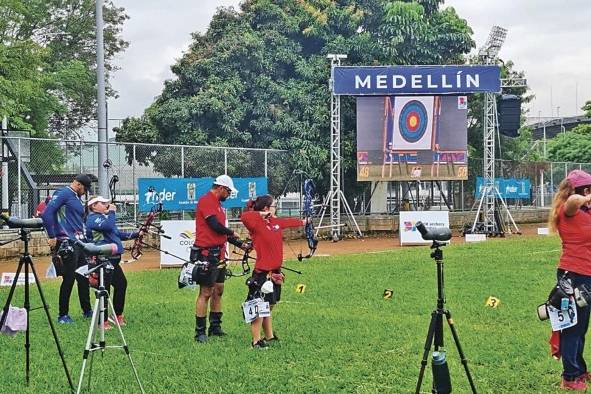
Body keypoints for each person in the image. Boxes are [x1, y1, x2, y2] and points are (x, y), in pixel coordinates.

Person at [240, 194, 305, 349]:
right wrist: (262, 214)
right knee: (260, 305)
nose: (276, 207)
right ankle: (256, 341)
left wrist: (306, 221)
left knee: (270, 304)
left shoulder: (275, 222)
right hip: (262, 273)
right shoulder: (256, 224)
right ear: (266, 208)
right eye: (274, 205)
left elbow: (289, 222)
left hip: (275, 272)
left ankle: (269, 336)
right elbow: (244, 216)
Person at [192, 175, 250, 343]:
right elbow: (214, 226)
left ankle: (215, 327)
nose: (229, 195)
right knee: (206, 292)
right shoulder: (206, 201)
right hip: (207, 253)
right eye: (229, 192)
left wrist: (240, 244)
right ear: (221, 188)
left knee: (219, 289)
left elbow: (220, 233)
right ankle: (200, 332)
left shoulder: (218, 205)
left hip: (219, 253)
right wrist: (231, 232)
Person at [548, 169, 591, 391]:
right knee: (572, 328)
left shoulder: (585, 212)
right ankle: (570, 376)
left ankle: (579, 370)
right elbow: (574, 199)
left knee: (581, 326)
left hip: (586, 276)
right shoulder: (569, 209)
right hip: (573, 276)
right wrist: (585, 197)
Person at [42, 174, 93, 324]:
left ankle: (87, 310)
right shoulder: (63, 193)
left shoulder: (76, 197)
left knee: (83, 277)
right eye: (84, 188)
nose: (85, 192)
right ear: (78, 184)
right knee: (69, 279)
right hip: (66, 242)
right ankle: (62, 315)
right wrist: (52, 235)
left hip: (78, 243)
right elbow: (47, 214)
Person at [85, 196, 140, 329]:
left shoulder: (105, 218)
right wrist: (112, 212)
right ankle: (102, 321)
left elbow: (116, 233)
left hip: (113, 260)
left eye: (106, 203)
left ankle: (117, 315)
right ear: (93, 206)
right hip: (103, 259)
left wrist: (137, 234)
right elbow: (109, 225)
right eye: (102, 203)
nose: (106, 205)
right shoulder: (93, 219)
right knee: (104, 288)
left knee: (121, 284)